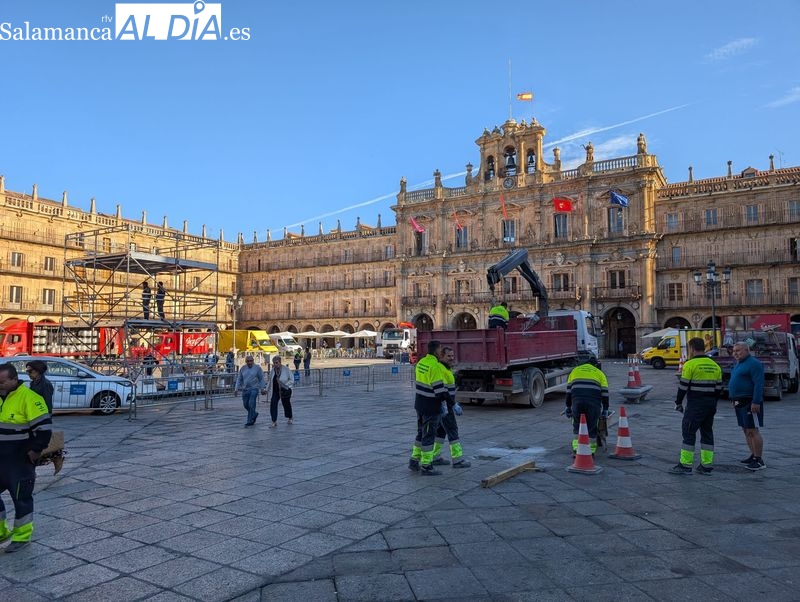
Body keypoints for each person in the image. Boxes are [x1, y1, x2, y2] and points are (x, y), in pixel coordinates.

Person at [0, 363, 52, 553]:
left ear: (14, 379)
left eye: (3, 382)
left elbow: (45, 429)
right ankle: (1, 532)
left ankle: (22, 537)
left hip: (19, 461)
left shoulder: (30, 398)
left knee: (21, 498)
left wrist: (34, 452)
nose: (0, 385)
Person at [669, 337, 722, 475]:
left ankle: (685, 465)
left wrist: (678, 402)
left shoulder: (690, 364)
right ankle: (706, 465)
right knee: (707, 433)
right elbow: (719, 389)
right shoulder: (714, 365)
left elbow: (683, 387)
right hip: (710, 405)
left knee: (688, 432)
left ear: (691, 348)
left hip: (695, 405)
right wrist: (712, 403)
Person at [408, 340, 448, 475]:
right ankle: (426, 465)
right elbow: (439, 389)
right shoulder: (435, 366)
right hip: (431, 405)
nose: (441, 351)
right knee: (429, 435)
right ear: (436, 350)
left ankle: (414, 460)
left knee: (420, 432)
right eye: (440, 349)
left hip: (419, 403)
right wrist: (450, 402)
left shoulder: (421, 363)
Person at [430, 346, 470, 468]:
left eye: (452, 356)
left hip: (445, 405)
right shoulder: (441, 369)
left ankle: (435, 457)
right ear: (441, 356)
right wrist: (451, 405)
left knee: (441, 432)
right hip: (445, 406)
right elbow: (441, 390)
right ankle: (457, 460)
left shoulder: (446, 368)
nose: (451, 358)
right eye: (449, 356)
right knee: (452, 430)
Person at [729, 341, 766, 471]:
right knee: (745, 429)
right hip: (739, 401)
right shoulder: (738, 364)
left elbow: (758, 384)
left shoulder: (754, 364)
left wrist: (756, 401)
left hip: (750, 401)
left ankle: (759, 459)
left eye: (738, 351)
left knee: (752, 430)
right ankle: (753, 454)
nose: (735, 353)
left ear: (746, 350)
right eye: (734, 351)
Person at [25, 360, 65, 476]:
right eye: (27, 371)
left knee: (38, 444)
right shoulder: (34, 383)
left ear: (38, 371)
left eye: (30, 371)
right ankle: (56, 457)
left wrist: (45, 419)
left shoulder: (45, 385)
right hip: (32, 417)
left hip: (40, 418)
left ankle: (56, 457)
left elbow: (47, 404)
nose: (28, 373)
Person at [564, 357, 609, 455]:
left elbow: (568, 392)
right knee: (592, 426)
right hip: (593, 403)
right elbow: (605, 393)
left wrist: (568, 407)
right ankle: (590, 451)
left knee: (577, 425)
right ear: (595, 365)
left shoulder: (575, 371)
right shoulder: (600, 373)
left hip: (577, 402)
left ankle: (577, 449)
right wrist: (605, 409)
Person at [234, 355, 266, 427]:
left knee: (251, 403)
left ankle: (249, 420)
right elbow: (239, 379)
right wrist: (236, 388)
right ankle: (254, 414)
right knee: (246, 405)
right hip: (245, 389)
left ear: (253, 361)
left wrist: (262, 388)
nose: (249, 363)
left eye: (251, 361)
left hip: (254, 388)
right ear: (246, 362)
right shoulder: (243, 368)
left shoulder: (257, 368)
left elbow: (261, 378)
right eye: (248, 361)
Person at [267, 355, 294, 427]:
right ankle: (274, 420)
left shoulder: (286, 369)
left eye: (277, 363)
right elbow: (270, 381)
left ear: (280, 362)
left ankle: (290, 417)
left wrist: (285, 385)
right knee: (273, 403)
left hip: (284, 390)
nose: (275, 365)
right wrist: (266, 390)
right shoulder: (273, 371)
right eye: (274, 363)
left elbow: (292, 379)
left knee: (286, 404)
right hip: (276, 391)